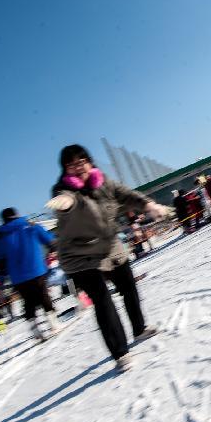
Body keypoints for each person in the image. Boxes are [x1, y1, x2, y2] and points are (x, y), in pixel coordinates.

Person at [46, 144, 164, 371]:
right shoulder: (62, 190)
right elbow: (66, 201)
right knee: (102, 300)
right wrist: (66, 204)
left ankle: (139, 329)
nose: (78, 167)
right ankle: (120, 353)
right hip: (79, 254)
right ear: (65, 170)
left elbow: (126, 195)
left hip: (109, 246)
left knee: (128, 284)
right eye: (71, 165)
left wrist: (149, 204)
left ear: (90, 162)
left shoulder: (104, 183)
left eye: (81, 161)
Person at [0, 207, 61, 340]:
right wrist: (54, 248)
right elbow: (49, 240)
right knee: (43, 295)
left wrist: (1, 279)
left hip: (17, 276)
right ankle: (54, 324)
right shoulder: (30, 225)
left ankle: (35, 330)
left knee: (28, 301)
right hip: (36, 269)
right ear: (17, 215)